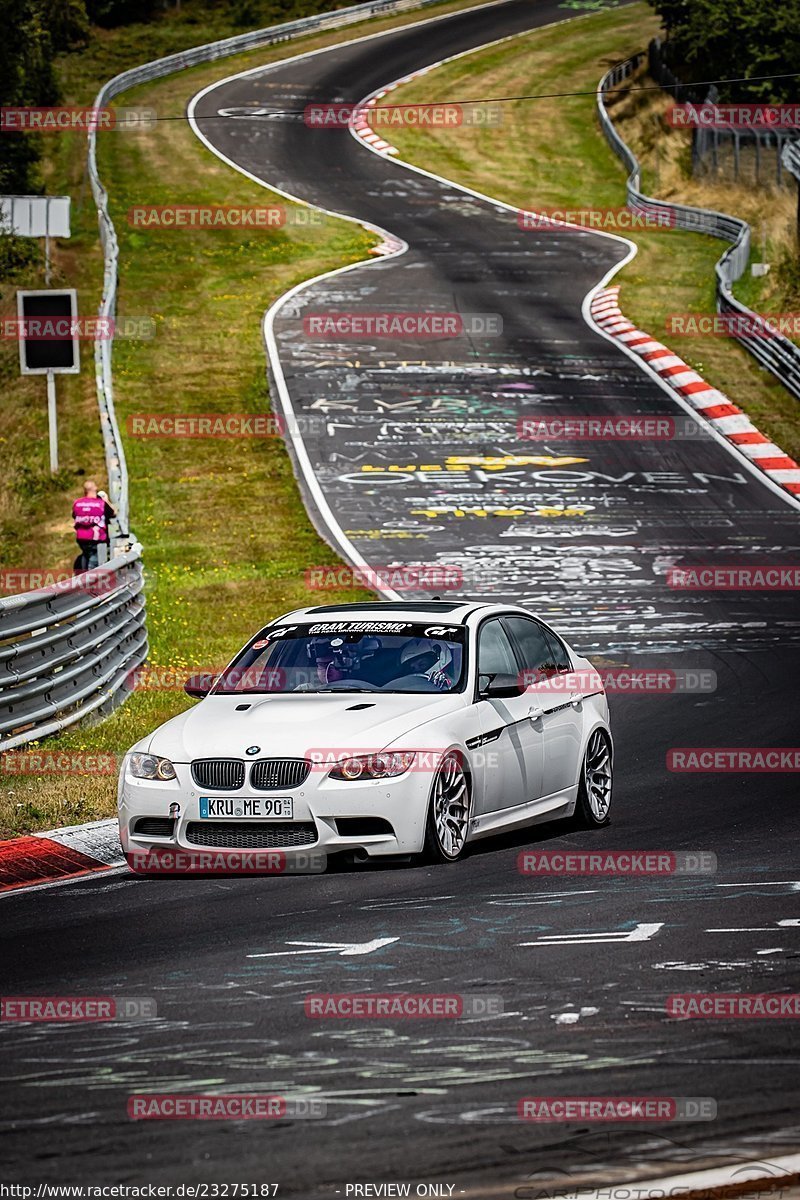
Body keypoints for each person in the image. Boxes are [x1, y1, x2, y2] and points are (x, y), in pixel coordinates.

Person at [72, 480, 116, 572]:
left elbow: (74, 515)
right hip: (96, 538)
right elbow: (113, 512)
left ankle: (83, 578)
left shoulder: (77, 503)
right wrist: (106, 500)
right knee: (94, 559)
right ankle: (91, 581)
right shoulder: (100, 503)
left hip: (81, 537)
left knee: (85, 554)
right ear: (95, 489)